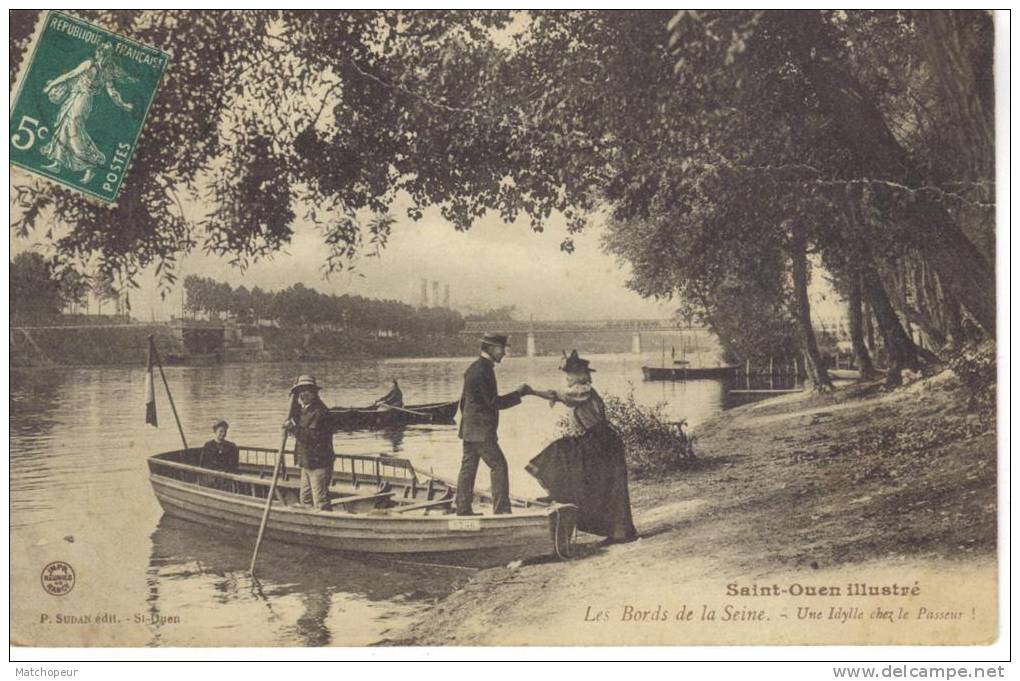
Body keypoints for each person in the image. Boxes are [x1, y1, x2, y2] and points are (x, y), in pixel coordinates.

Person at [524, 350, 638, 545]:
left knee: (564, 455)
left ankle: (619, 532)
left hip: (601, 442)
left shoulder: (582, 390)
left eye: (569, 375)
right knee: (602, 486)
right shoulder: (582, 391)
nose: (566, 378)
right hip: (598, 441)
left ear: (578, 376)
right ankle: (613, 530)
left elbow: (559, 396)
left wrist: (531, 391)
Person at [40, 42, 135, 184]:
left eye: (103, 54)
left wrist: (124, 104)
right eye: (100, 52)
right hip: (75, 97)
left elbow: (112, 92)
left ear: (106, 55)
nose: (100, 55)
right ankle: (57, 163)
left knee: (74, 130)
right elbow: (70, 75)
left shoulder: (104, 70)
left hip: (83, 100)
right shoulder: (90, 64)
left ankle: (91, 164)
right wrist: (52, 85)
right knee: (64, 126)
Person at [455, 332, 528, 516]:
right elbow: (494, 403)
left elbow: (464, 403)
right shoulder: (484, 370)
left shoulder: (474, 368)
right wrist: (519, 394)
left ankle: (462, 510)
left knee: (468, 469)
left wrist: (469, 425)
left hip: (469, 430)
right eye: (502, 349)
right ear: (493, 348)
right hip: (481, 432)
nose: (504, 353)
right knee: (499, 466)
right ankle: (502, 511)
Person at [283, 375, 336, 511]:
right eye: (301, 391)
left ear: (314, 393)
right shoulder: (305, 409)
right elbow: (295, 414)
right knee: (305, 500)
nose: (303, 394)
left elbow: (311, 437)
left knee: (320, 503)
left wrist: (292, 428)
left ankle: (325, 526)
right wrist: (293, 395)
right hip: (306, 462)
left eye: (307, 390)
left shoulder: (320, 412)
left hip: (319, 464)